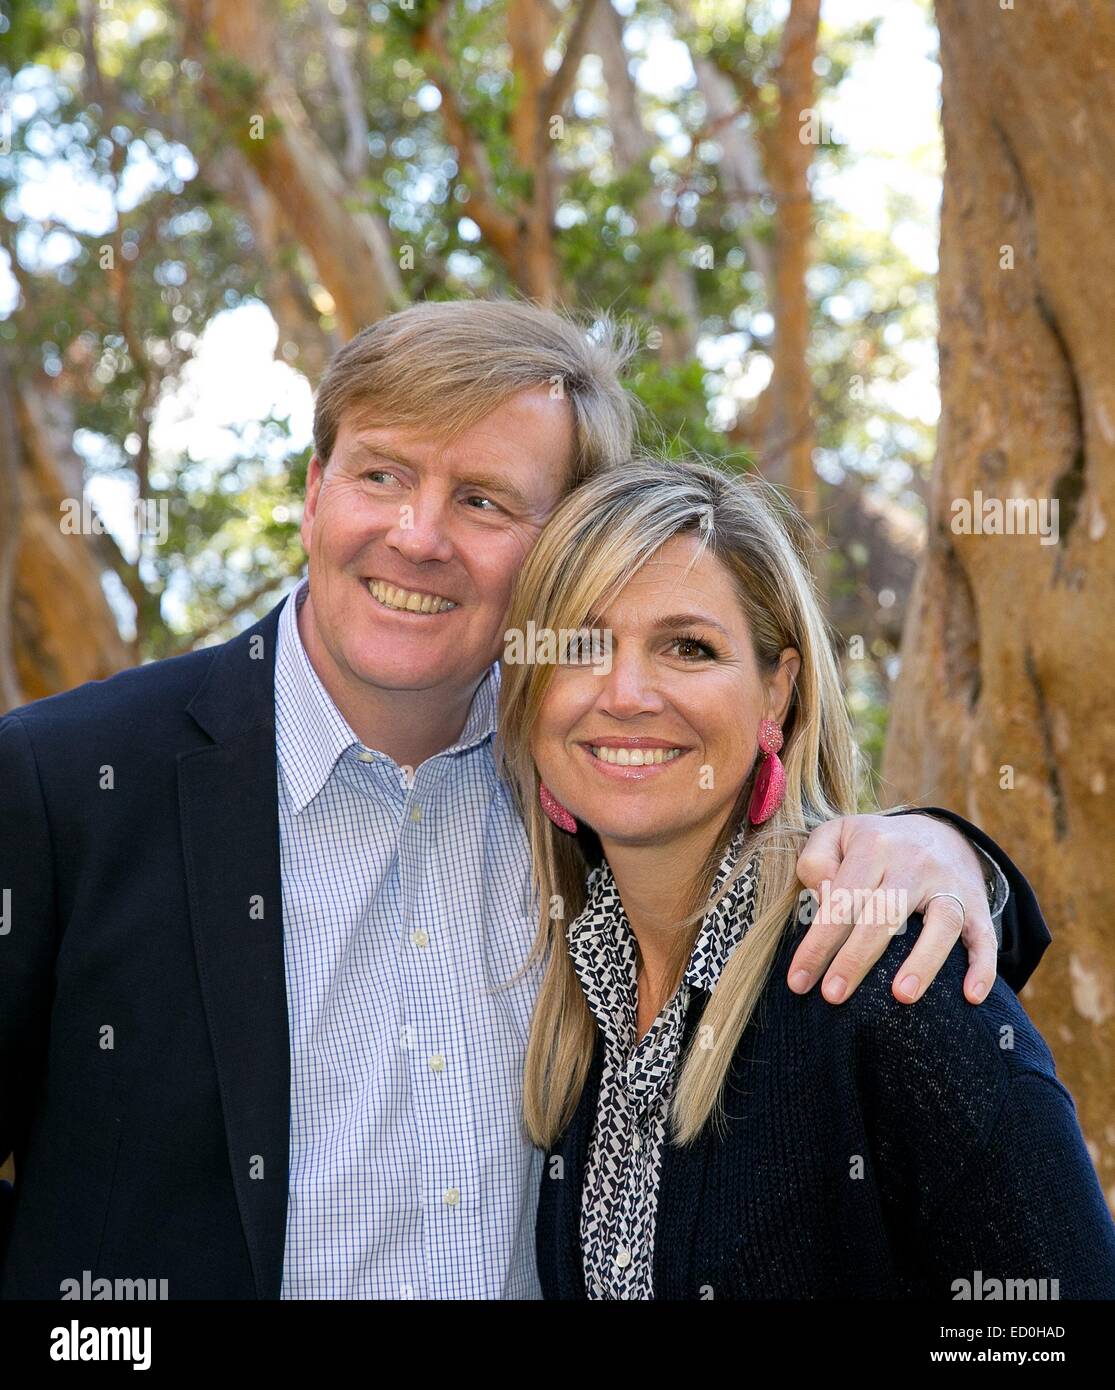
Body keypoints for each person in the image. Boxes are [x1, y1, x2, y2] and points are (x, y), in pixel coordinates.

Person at [0, 301, 1047, 1300]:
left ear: (557, 551)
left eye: (483, 499)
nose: (417, 535)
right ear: (315, 490)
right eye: (381, 474)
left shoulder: (596, 779)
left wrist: (944, 853)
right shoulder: (66, 782)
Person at [500, 455, 1115, 1299]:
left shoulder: (883, 977)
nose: (627, 692)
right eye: (579, 646)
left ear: (777, 691)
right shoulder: (573, 999)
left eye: (688, 647)